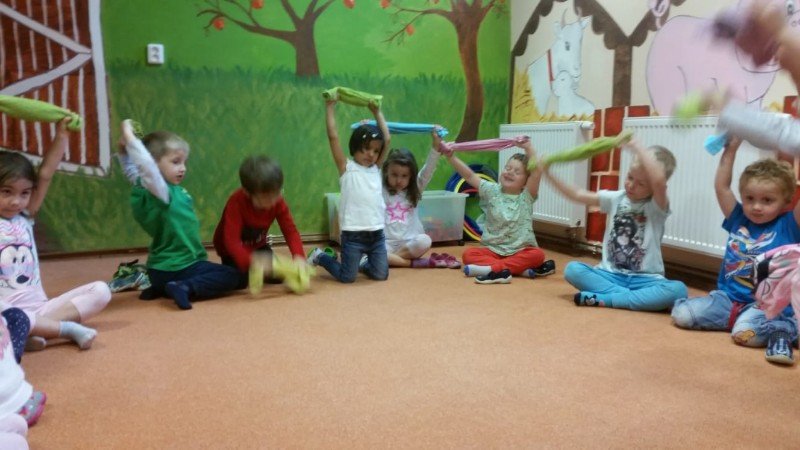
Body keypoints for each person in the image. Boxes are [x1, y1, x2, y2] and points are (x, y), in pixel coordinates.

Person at [671, 136, 800, 365]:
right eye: (749, 198)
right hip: (728, 300)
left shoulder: (789, 224)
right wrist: (731, 149)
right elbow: (721, 187)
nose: (756, 206)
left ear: (786, 201)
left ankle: (785, 328)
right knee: (682, 315)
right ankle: (738, 320)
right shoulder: (739, 217)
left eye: (767, 200)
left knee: (743, 333)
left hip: (765, 306)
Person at [0, 119, 110, 350]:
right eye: (6, 192)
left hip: (41, 308)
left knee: (101, 291)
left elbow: (46, 174)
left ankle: (32, 331)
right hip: (5, 313)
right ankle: (37, 329)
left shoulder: (26, 215)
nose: (16, 201)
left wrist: (61, 137)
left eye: (24, 193)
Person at [543, 139, 688, 309]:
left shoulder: (657, 206)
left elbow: (659, 182)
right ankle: (628, 298)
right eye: (630, 177)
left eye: (641, 183)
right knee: (573, 270)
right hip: (609, 275)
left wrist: (638, 148)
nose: (631, 185)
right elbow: (577, 194)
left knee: (678, 290)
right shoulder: (616, 198)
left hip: (645, 280)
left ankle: (609, 299)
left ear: (653, 187)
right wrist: (548, 173)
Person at [118, 120, 240, 310]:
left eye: (184, 162)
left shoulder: (145, 187)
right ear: (154, 164)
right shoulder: (161, 192)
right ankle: (185, 287)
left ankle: (161, 288)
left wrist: (123, 152)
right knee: (234, 276)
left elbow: (131, 170)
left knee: (215, 271)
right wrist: (129, 136)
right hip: (181, 268)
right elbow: (145, 165)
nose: (183, 168)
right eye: (175, 162)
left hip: (158, 271)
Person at [445, 137, 555, 284]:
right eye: (507, 168)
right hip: (492, 250)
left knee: (537, 255)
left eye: (517, 172)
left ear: (525, 182)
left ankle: (493, 270)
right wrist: (451, 157)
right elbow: (469, 175)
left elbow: (536, 172)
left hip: (520, 250)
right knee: (469, 254)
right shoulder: (491, 190)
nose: (510, 172)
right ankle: (515, 269)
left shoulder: (527, 196)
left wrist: (528, 148)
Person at [306, 99, 391, 283]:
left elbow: (388, 139)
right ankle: (320, 256)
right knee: (347, 277)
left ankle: (363, 262)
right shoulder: (346, 167)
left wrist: (377, 112)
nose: (371, 154)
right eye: (366, 148)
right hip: (353, 236)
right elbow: (333, 137)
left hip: (376, 235)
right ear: (355, 147)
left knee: (381, 275)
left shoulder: (375, 168)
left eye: (375, 151)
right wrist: (330, 107)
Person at [213, 155, 308, 291]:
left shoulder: (278, 201)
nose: (273, 201)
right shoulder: (236, 203)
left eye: (277, 193)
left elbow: (290, 231)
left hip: (258, 246)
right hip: (230, 250)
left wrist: (299, 257)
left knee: (279, 275)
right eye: (266, 197)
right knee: (240, 281)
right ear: (248, 193)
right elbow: (232, 243)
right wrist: (253, 262)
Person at [382, 128, 460, 269]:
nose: (399, 180)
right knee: (371, 248)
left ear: (411, 176)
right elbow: (373, 166)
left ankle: (389, 260)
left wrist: (436, 146)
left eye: (404, 176)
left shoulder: (415, 188)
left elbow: (428, 171)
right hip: (386, 242)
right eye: (394, 175)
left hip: (409, 242)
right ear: (386, 171)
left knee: (425, 240)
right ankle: (406, 262)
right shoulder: (381, 189)